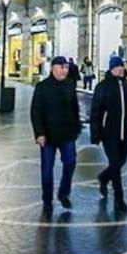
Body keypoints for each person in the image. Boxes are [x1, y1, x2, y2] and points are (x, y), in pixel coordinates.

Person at [90, 56, 127, 213]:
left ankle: (104, 178)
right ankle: (119, 199)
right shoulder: (103, 87)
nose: (119, 69)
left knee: (121, 162)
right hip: (109, 134)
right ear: (111, 69)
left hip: (125, 134)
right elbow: (96, 112)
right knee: (115, 164)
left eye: (121, 66)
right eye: (116, 67)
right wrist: (96, 135)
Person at [30, 56, 82, 213]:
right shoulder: (42, 87)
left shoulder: (69, 85)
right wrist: (39, 133)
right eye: (62, 67)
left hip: (67, 135)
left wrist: (76, 128)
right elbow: (35, 112)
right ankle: (47, 200)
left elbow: (75, 108)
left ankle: (63, 193)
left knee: (70, 163)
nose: (65, 70)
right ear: (53, 68)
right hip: (48, 136)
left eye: (66, 67)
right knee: (47, 170)